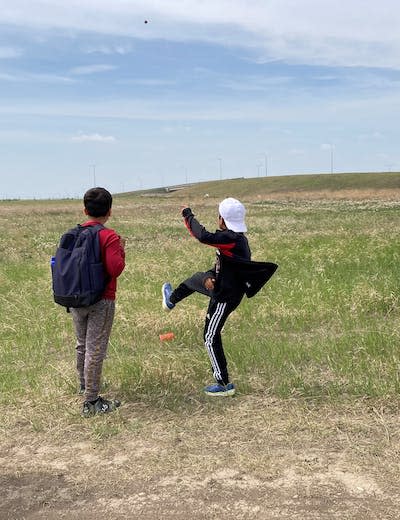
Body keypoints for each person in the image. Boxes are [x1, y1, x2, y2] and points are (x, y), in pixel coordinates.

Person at [162, 197, 261, 397]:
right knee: (195, 279)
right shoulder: (234, 239)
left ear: (222, 219)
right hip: (221, 285)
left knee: (209, 337)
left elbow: (201, 235)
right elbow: (222, 267)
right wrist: (209, 276)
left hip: (224, 296)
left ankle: (223, 384)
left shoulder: (231, 239)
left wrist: (187, 215)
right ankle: (171, 300)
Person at [71, 187, 126, 417]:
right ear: (110, 211)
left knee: (82, 344)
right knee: (96, 348)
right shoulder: (109, 236)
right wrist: (121, 251)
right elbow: (116, 268)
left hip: (75, 298)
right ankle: (92, 401)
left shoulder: (74, 233)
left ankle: (85, 384)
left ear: (85, 210)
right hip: (101, 299)